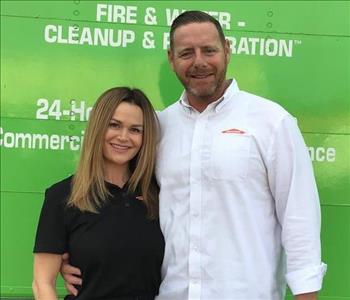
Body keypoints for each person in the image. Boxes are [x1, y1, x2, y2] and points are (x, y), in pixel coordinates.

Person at [62, 11, 327, 300]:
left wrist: (306, 294)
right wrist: (75, 254)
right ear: (171, 59)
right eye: (186, 53)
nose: (199, 62)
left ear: (226, 50)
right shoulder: (158, 128)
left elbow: (299, 218)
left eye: (209, 50)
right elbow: (117, 199)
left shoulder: (271, 122)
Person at [32, 87, 164, 300]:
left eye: (135, 130)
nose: (123, 137)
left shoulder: (158, 194)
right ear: (97, 127)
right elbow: (42, 283)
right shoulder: (63, 195)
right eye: (114, 125)